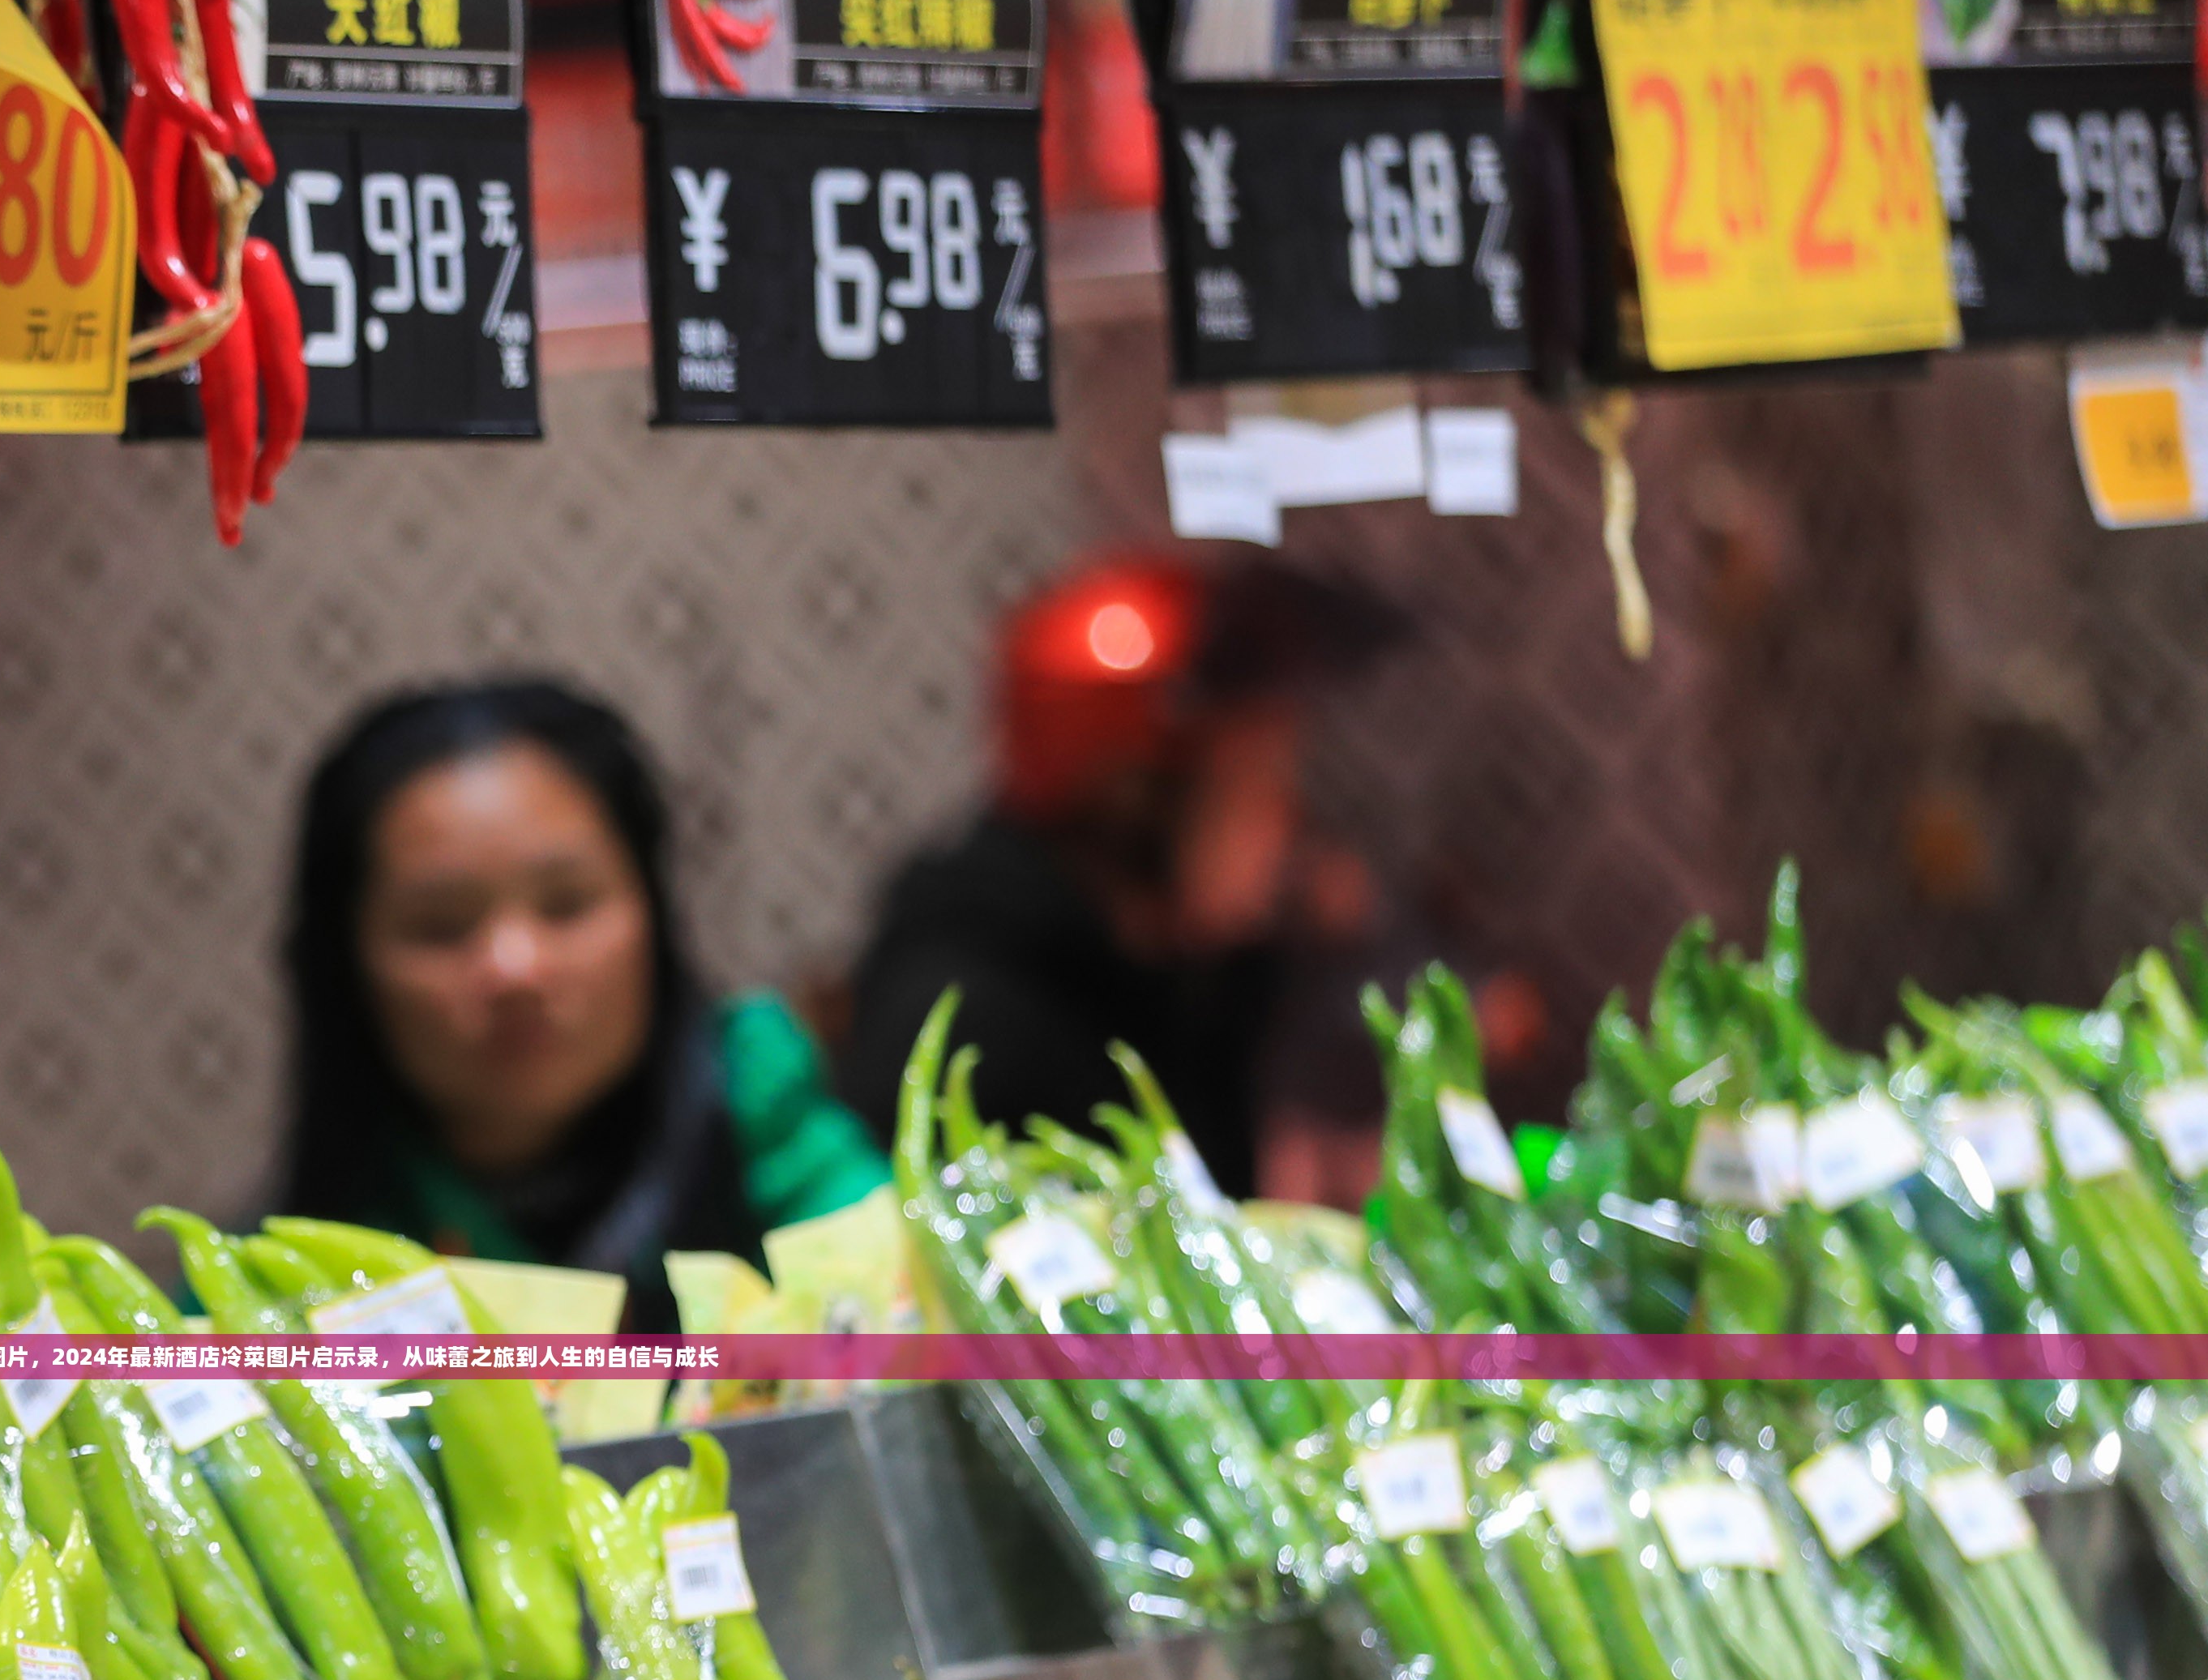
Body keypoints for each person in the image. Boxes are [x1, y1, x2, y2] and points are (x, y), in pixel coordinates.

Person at [269, 680, 884, 1329]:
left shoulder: (755, 1096)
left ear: (653, 911)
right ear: (344, 965)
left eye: (567, 904)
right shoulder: (279, 1282)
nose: (515, 969)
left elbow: (901, 1297)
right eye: (443, 926)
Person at [834, 552, 1399, 1196]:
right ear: (1136, 804)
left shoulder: (1160, 976)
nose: (1289, 825)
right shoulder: (978, 1039)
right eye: (1258, 788)